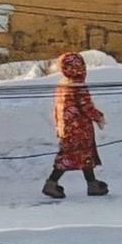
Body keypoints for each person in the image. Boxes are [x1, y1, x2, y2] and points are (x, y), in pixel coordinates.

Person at [43, 49, 107, 198]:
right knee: (71, 156)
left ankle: (92, 184)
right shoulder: (78, 85)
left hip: (66, 128)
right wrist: (98, 117)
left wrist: (59, 126)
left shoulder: (62, 83)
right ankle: (51, 183)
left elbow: (57, 108)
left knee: (82, 156)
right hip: (80, 128)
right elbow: (86, 106)